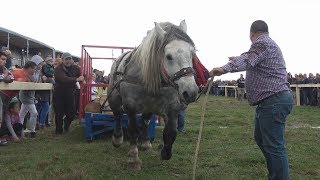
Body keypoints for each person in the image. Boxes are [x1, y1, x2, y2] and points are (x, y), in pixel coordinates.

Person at [210, 20, 293, 180]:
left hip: (273, 100)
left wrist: (224, 68)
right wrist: (239, 59)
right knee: (262, 139)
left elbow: (248, 58)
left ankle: (279, 176)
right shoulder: (267, 45)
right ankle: (275, 174)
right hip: (271, 100)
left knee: (274, 146)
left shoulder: (262, 43)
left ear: (252, 33)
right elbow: (250, 58)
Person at [53, 52, 84, 134]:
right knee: (59, 114)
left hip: (70, 94)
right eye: (66, 59)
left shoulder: (76, 68)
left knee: (72, 114)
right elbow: (63, 79)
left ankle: (66, 125)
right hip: (59, 94)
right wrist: (76, 79)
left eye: (69, 59)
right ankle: (58, 131)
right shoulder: (58, 69)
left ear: (72, 60)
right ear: (62, 60)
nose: (68, 61)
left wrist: (84, 76)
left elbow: (83, 74)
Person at [19, 55, 44, 138]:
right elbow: (35, 80)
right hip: (26, 96)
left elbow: (37, 81)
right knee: (34, 113)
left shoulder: (35, 72)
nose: (41, 66)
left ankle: (19, 130)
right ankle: (32, 131)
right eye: (40, 64)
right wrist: (37, 71)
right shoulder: (31, 72)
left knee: (22, 114)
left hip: (29, 95)